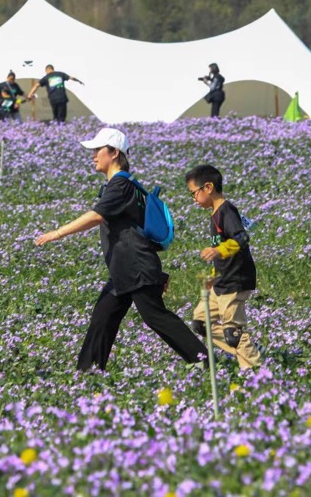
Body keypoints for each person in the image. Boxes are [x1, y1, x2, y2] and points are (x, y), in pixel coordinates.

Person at [34, 127, 207, 372]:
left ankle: (206, 361)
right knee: (103, 318)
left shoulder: (120, 186)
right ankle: (88, 372)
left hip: (135, 267)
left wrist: (58, 233)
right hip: (125, 268)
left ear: (114, 153)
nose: (93, 155)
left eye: (98, 150)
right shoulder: (126, 186)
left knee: (155, 317)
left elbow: (96, 216)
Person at [185, 164, 261, 370]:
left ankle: (255, 371)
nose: (193, 199)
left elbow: (242, 239)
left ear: (208, 188)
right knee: (201, 322)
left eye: (194, 193)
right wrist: (212, 276)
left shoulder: (226, 211)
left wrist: (219, 250)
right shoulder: (215, 213)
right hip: (220, 281)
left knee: (233, 331)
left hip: (235, 281)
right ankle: (242, 348)